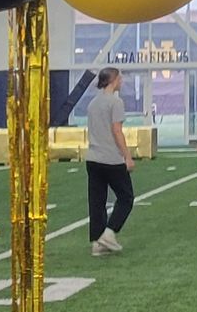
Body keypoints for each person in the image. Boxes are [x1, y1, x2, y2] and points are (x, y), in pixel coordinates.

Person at [85, 67, 135, 257]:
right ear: (113, 80)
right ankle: (110, 232)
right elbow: (116, 131)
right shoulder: (115, 102)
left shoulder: (92, 103)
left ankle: (97, 242)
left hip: (93, 158)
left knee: (97, 201)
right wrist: (127, 156)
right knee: (126, 198)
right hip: (111, 159)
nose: (121, 80)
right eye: (119, 77)